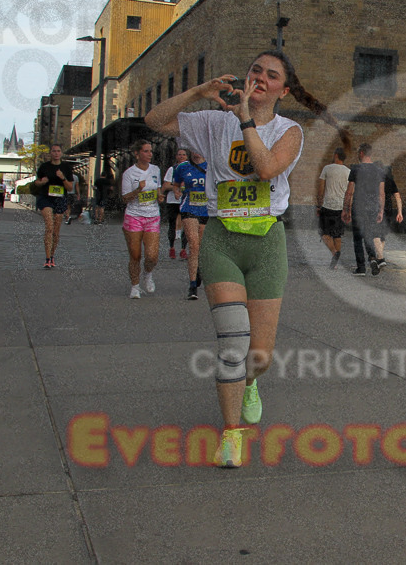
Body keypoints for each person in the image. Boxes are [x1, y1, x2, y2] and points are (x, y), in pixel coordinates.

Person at [145, 49, 347, 468]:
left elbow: (267, 168)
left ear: (283, 90)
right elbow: (155, 122)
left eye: (271, 75)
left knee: (260, 357)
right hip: (222, 238)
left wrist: (245, 120)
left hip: (266, 242)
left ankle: (251, 385)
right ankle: (230, 435)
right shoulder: (213, 122)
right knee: (233, 343)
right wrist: (199, 92)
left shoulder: (289, 130)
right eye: (255, 69)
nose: (259, 78)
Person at [121, 140, 164, 298]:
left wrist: (159, 196)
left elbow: (157, 189)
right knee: (135, 254)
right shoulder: (129, 174)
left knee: (152, 255)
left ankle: (147, 274)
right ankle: (135, 286)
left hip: (152, 215)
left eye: (150, 151)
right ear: (137, 154)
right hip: (134, 216)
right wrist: (138, 189)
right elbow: (125, 198)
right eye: (146, 151)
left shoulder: (155, 170)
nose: (150, 154)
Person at [341, 143, 385, 277]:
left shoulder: (355, 169)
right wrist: (381, 210)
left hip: (358, 206)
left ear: (361, 153)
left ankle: (361, 268)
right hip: (373, 207)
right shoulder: (378, 171)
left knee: (357, 237)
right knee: (369, 234)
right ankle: (372, 258)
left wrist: (346, 209)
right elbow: (381, 193)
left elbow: (349, 191)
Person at [172, 149, 209, 299]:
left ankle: (199, 270)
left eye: (199, 150)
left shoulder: (211, 166)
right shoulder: (182, 167)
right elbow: (175, 184)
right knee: (194, 245)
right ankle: (193, 285)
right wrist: (176, 192)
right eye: (193, 150)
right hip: (189, 208)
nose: (196, 153)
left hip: (207, 210)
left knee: (202, 246)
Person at [33, 144, 75, 268]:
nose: (56, 153)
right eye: (54, 151)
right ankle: (46, 258)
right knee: (49, 227)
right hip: (45, 198)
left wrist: (62, 178)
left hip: (60, 199)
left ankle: (52, 256)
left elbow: (70, 187)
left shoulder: (66, 168)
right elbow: (36, 182)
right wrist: (42, 182)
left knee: (56, 231)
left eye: (58, 151)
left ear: (61, 153)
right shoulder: (44, 167)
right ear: (50, 153)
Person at [316, 147, 350, 269]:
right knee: (337, 235)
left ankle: (334, 253)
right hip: (340, 207)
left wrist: (319, 204)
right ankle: (336, 262)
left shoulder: (327, 168)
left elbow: (321, 188)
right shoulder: (348, 172)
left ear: (336, 155)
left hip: (327, 206)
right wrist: (348, 209)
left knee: (324, 233)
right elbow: (350, 192)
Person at [373, 164, 404, 268]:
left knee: (375, 233)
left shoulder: (376, 180)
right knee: (382, 234)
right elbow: (397, 197)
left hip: (377, 209)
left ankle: (380, 258)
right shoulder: (391, 181)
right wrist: (400, 212)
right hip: (389, 210)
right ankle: (379, 256)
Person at [162, 150, 187, 259]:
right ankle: (172, 247)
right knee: (172, 224)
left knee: (186, 225)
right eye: (179, 154)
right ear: (176, 156)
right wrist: (176, 187)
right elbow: (166, 185)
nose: (181, 156)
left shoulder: (190, 169)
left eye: (184, 155)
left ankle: (183, 249)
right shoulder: (172, 169)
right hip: (172, 200)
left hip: (186, 200)